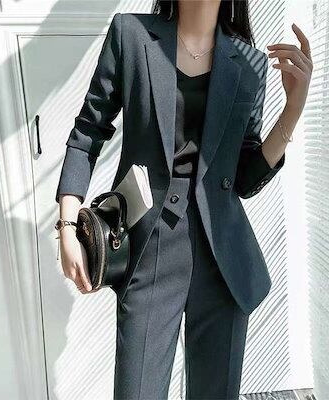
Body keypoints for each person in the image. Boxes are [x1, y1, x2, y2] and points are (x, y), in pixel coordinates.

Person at [54, 1, 312, 398]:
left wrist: (292, 111)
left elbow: (244, 178)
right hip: (149, 248)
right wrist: (67, 225)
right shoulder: (131, 35)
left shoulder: (249, 64)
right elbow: (88, 131)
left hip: (222, 260)